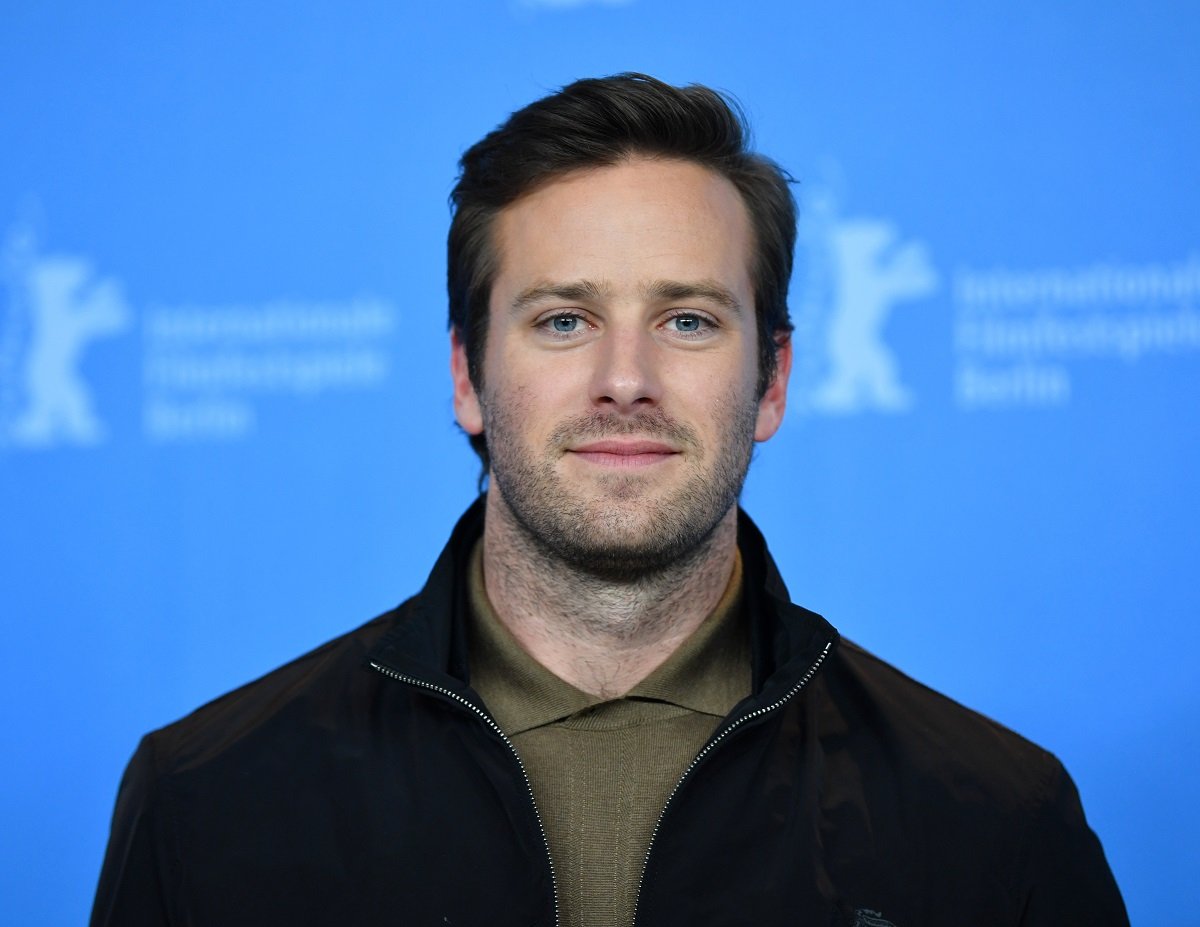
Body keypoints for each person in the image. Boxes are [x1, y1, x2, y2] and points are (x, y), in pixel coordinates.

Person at [91, 74, 1128, 927]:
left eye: (685, 321)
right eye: (561, 321)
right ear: (466, 378)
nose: (624, 377)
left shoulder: (993, 819)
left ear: (771, 381)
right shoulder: (212, 802)